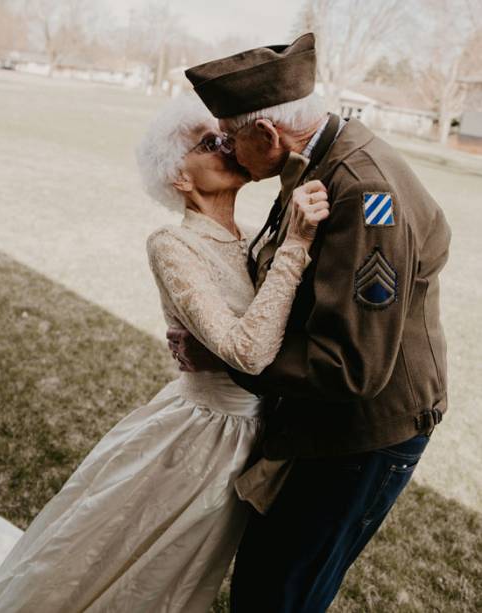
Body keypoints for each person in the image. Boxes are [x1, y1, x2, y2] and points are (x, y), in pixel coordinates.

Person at [0, 94, 330, 613]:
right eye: (210, 144)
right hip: (201, 436)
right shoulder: (172, 245)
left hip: (254, 434)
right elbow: (249, 350)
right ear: (180, 178)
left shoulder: (253, 239)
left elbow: (268, 330)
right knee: (133, 559)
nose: (226, 146)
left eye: (225, 137)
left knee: (187, 576)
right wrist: (296, 245)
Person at [168, 32, 452, 612]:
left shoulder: (364, 189)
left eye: (229, 135)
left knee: (280, 593)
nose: (225, 148)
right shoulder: (318, 158)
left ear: (268, 133)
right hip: (324, 420)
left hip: (365, 432)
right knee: (271, 581)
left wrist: (228, 357)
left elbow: (351, 366)